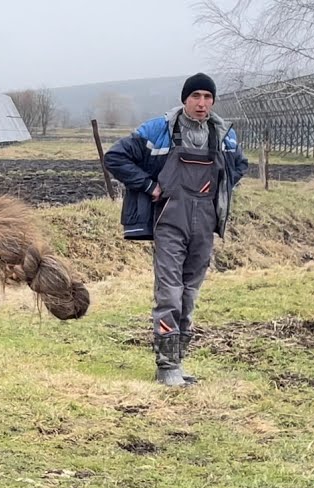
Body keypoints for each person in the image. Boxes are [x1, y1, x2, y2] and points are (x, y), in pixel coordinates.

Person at [104, 73, 248, 387]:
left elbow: (239, 166)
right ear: (185, 99)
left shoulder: (223, 135)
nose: (202, 103)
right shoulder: (159, 129)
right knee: (169, 292)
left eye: (208, 97)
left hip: (204, 223)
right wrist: (149, 186)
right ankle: (166, 366)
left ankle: (178, 362)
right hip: (169, 220)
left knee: (190, 294)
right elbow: (115, 157)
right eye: (196, 96)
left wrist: (218, 192)